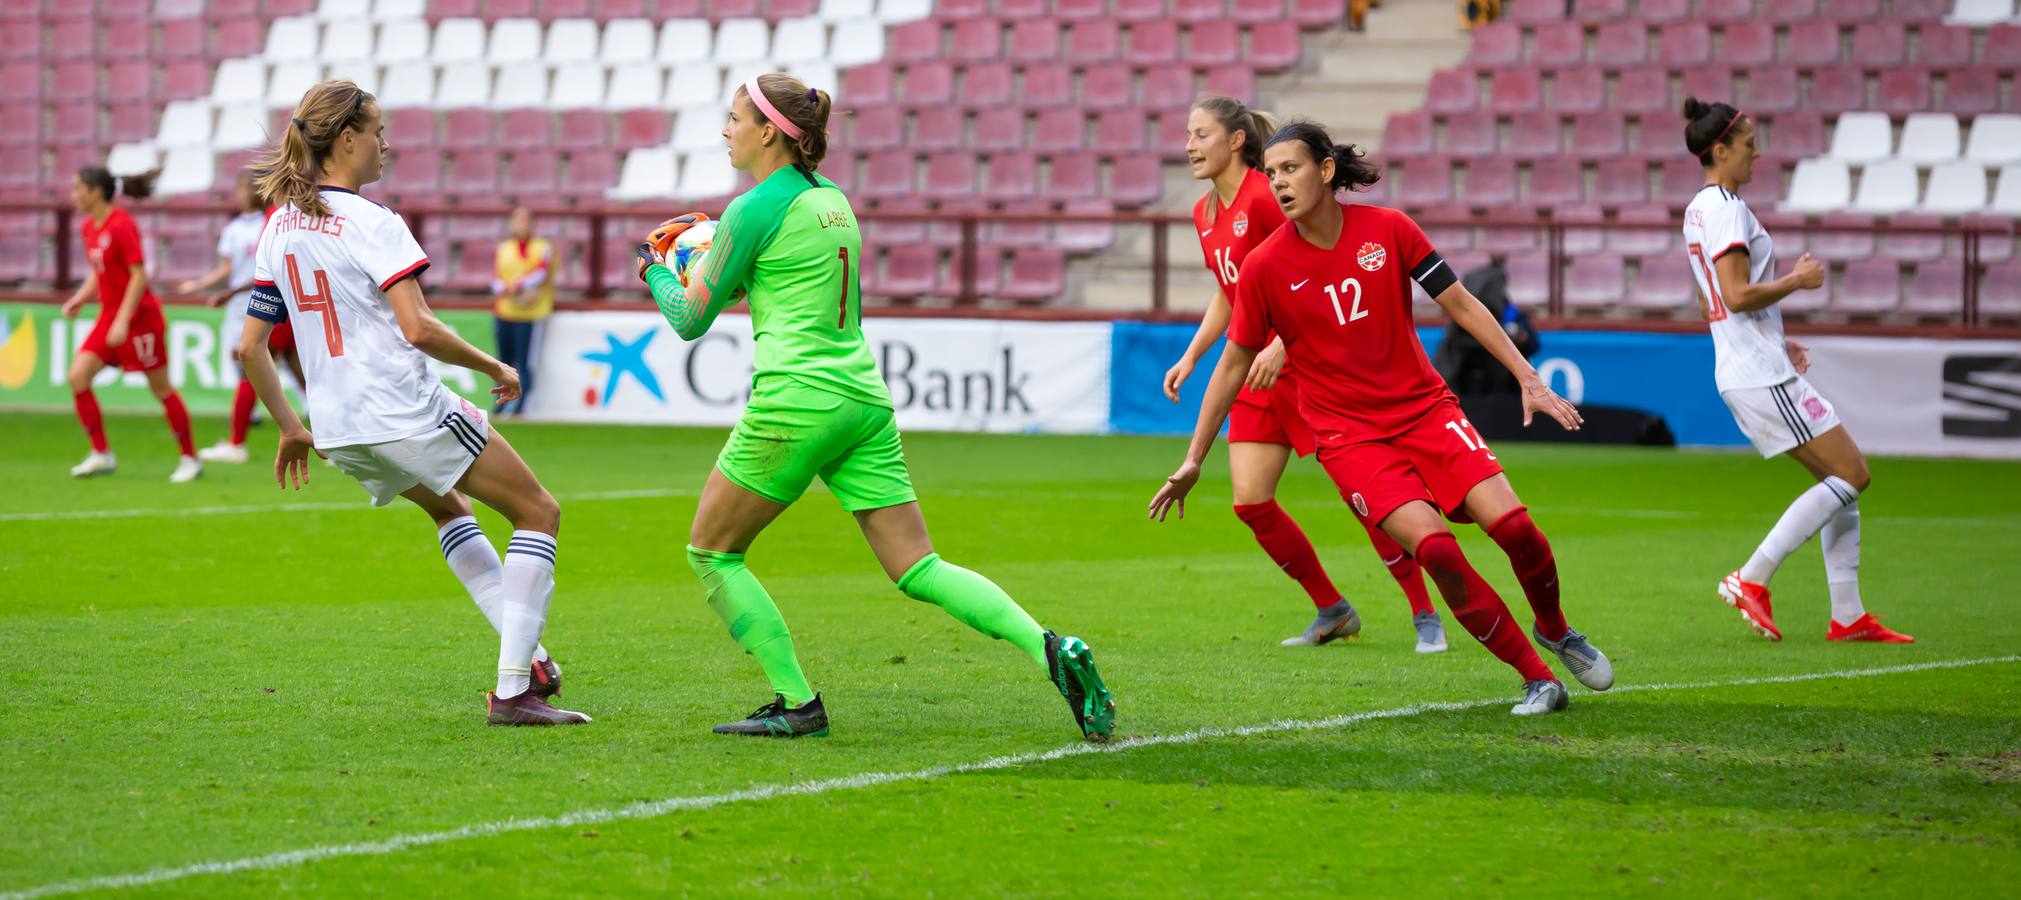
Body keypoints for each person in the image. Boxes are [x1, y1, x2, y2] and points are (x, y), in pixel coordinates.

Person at [635, 72, 1115, 741]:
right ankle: (1050, 650)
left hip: (796, 400)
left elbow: (691, 318)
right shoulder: (833, 201)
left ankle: (796, 703)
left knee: (712, 553)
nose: (725, 130)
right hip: (861, 397)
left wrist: (656, 266)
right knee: (919, 567)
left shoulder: (750, 209)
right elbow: (776, 283)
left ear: (769, 131)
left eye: (734, 117)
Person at [1149, 121, 1614, 716]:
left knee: (1518, 530)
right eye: (1272, 174)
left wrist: (1528, 376)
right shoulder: (1265, 265)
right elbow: (1232, 366)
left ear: (1325, 170)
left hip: (1425, 410)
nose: (1280, 183)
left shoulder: (1390, 229)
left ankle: (1556, 628)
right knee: (1439, 551)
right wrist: (1193, 459)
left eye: (1290, 169)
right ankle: (1536, 677)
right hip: (1350, 440)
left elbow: (1461, 303)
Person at [242, 79, 591, 726]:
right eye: (378, 132)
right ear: (347, 139)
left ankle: (533, 661)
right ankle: (515, 690)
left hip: (340, 428)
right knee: (538, 512)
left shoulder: (278, 226)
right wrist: (495, 366)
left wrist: (292, 428)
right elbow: (419, 328)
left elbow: (249, 348)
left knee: (450, 509)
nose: (386, 145)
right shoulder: (376, 222)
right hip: (400, 408)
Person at [1162, 95, 1445, 653]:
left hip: (1304, 372)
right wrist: (1194, 353)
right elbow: (1233, 295)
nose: (1189, 145)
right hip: (1254, 374)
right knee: (1251, 502)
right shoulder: (1204, 213)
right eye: (1189, 135)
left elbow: (1312, 274)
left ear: (1235, 140)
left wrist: (1285, 349)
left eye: (1200, 134)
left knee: (1363, 493)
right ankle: (1332, 609)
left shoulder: (1267, 197)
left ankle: (1425, 612)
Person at [1678, 97, 1911, 644]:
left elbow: (1710, 297)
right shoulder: (1727, 209)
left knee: (1839, 482)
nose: (1757, 154)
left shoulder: (1697, 209)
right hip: (1757, 372)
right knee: (1853, 474)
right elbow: (1734, 294)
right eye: (1749, 145)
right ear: (1721, 149)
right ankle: (1752, 578)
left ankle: (1848, 616)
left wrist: (1776, 337)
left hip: (1750, 363)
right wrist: (1796, 282)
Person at [58, 166, 201, 483]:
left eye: (78, 188)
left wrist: (123, 320)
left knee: (161, 388)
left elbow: (138, 275)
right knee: (77, 376)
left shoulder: (122, 225)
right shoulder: (88, 227)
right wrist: (80, 298)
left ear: (95, 192)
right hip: (110, 316)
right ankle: (101, 454)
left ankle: (190, 458)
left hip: (139, 318)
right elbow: (100, 271)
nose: (74, 194)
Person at [176, 171, 303, 464]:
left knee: (251, 367)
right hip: (284, 304)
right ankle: (337, 437)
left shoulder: (276, 217)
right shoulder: (280, 216)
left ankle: (237, 442)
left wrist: (231, 291)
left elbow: (267, 270)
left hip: (271, 304)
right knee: (302, 375)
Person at [1432, 255, 1539, 395]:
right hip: (1465, 396)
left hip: (1502, 397)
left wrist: (1521, 340)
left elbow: (1533, 345)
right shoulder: (1459, 327)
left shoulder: (1512, 315)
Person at [490, 206, 551, 417]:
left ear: (533, 224)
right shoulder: (504, 249)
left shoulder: (542, 247)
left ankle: (522, 405)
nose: (521, 225)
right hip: (505, 310)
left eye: (525, 220)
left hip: (529, 314)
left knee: (524, 362)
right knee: (502, 361)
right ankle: (500, 403)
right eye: (517, 220)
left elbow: (542, 272)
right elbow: (496, 280)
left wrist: (520, 284)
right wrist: (508, 288)